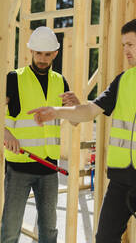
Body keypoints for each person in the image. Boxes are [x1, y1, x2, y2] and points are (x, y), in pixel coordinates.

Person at [28, 18, 136, 243]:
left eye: (130, 44)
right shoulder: (123, 81)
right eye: (123, 45)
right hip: (120, 179)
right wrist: (56, 112)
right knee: (105, 238)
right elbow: (88, 112)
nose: (125, 50)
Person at [1, 26, 79, 243]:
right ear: (31, 52)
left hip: (49, 167)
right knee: (10, 229)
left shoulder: (60, 81)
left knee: (49, 230)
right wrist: (5, 132)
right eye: (38, 53)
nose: (43, 59)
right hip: (19, 166)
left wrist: (77, 107)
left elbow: (74, 121)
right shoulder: (14, 78)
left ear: (55, 53)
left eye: (47, 54)